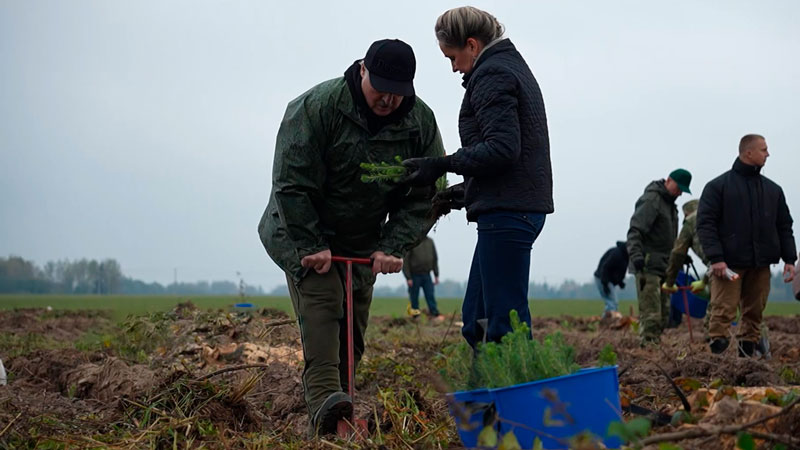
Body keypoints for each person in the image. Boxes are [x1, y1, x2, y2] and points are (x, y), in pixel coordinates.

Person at [257, 39, 445, 436]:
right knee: (324, 312)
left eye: (398, 93)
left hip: (363, 240)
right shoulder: (317, 107)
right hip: (302, 229)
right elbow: (291, 184)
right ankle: (325, 415)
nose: (388, 100)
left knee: (353, 332)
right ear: (362, 70)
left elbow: (426, 195)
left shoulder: (420, 123)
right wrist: (311, 244)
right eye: (380, 88)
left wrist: (393, 247)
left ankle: (343, 410)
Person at [401, 6, 553, 348]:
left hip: (509, 213)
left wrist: (441, 164)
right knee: (477, 320)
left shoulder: (493, 73)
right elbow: (510, 158)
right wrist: (461, 193)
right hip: (509, 206)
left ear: (471, 44)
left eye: (452, 57)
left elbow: (501, 149)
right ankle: (481, 400)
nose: (454, 67)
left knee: (504, 324)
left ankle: (514, 398)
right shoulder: (507, 66)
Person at [697, 134, 796, 357]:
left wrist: (790, 259)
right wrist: (716, 258)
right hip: (729, 266)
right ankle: (716, 362)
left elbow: (784, 226)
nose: (768, 154)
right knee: (724, 310)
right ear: (748, 152)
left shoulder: (773, 190)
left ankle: (746, 363)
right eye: (764, 149)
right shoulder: (718, 187)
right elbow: (705, 225)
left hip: (760, 265)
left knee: (754, 313)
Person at [627, 169, 692, 345]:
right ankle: (647, 353)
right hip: (647, 266)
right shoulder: (652, 200)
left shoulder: (671, 207)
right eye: (678, 188)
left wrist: (679, 256)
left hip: (663, 266)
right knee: (651, 316)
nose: (679, 193)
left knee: (664, 315)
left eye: (682, 191)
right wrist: (636, 256)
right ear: (668, 180)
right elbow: (635, 230)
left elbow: (668, 239)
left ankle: (653, 349)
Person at [402, 235, 444, 320]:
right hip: (414, 275)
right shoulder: (412, 242)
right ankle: (415, 316)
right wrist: (408, 277)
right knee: (414, 296)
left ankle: (434, 314)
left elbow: (435, 258)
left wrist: (436, 275)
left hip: (427, 274)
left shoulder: (430, 241)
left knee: (430, 295)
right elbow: (405, 260)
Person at [594, 241, 629, 316]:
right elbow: (605, 268)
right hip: (602, 279)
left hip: (608, 280)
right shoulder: (617, 254)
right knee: (612, 303)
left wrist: (620, 282)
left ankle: (608, 321)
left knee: (613, 303)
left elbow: (617, 271)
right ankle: (606, 322)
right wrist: (605, 284)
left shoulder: (625, 257)